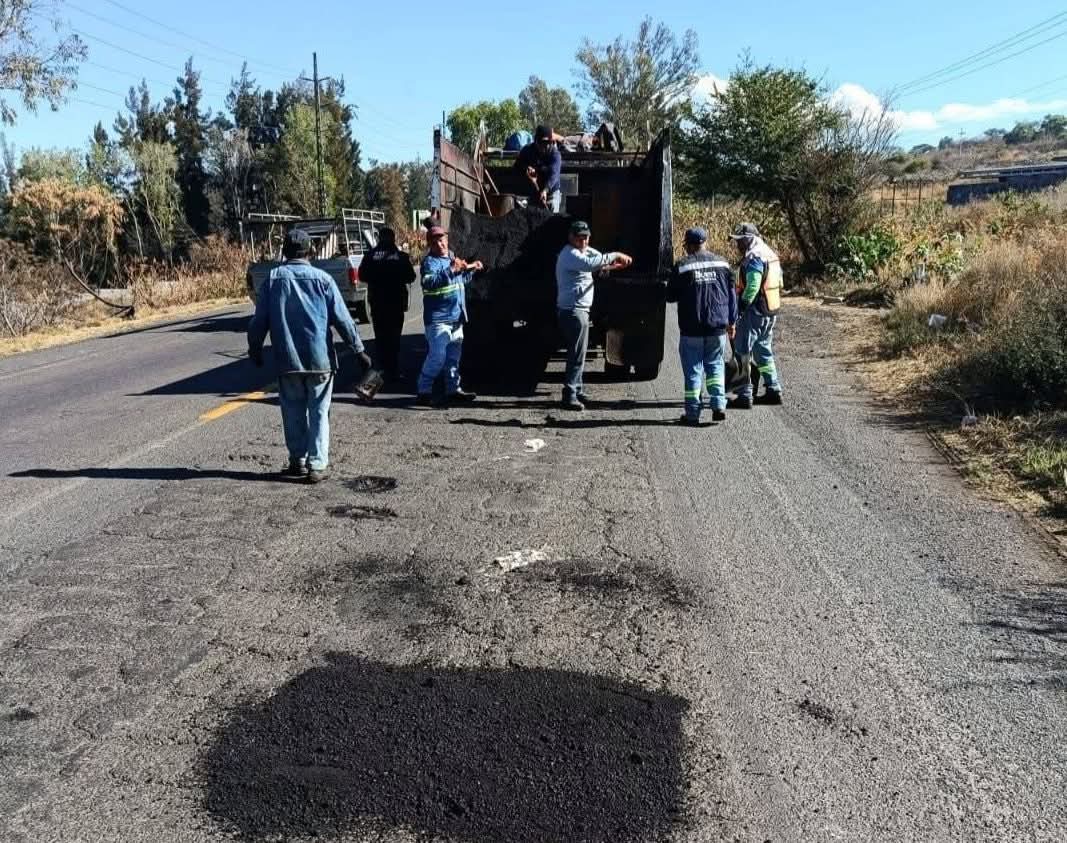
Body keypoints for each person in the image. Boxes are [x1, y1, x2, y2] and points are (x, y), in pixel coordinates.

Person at [248, 228, 372, 484]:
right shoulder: (323, 279)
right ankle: (317, 464)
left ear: (284, 252)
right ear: (310, 252)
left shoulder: (272, 280)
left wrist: (255, 347)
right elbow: (343, 320)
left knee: (292, 410)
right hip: (320, 360)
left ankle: (299, 461)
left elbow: (259, 321)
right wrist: (359, 350)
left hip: (287, 360)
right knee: (319, 410)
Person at [554, 220, 632, 411]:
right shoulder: (569, 254)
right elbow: (591, 264)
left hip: (580, 310)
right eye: (580, 238)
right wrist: (616, 255)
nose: (584, 242)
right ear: (571, 237)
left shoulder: (582, 252)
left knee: (579, 354)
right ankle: (570, 394)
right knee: (576, 355)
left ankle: (577, 390)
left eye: (586, 238)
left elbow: (596, 261)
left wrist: (613, 266)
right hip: (573, 311)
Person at [666, 227, 737, 426]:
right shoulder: (722, 263)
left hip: (692, 328)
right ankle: (718, 405)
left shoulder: (682, 266)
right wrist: (732, 322)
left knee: (693, 371)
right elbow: (732, 296)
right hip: (717, 327)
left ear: (688, 245)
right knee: (715, 367)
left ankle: (692, 414)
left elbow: (670, 296)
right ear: (705, 242)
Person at [416, 225, 482, 407]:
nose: (441, 243)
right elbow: (429, 283)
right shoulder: (430, 262)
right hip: (438, 320)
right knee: (437, 357)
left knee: (453, 358)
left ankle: (453, 390)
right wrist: (451, 270)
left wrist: (471, 270)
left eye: (442, 239)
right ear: (430, 244)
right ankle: (423, 391)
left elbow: (459, 281)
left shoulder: (452, 257)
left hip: (456, 319)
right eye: (436, 240)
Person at [729, 222, 784, 409]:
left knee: (742, 350)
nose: (737, 245)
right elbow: (780, 282)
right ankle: (773, 389)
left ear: (749, 239)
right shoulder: (770, 254)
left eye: (740, 241)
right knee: (763, 351)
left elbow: (753, 286)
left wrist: (741, 307)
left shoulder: (754, 257)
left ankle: (744, 395)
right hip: (770, 308)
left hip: (755, 311)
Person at [358, 226, 415, 382]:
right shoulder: (400, 256)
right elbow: (411, 276)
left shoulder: (370, 256)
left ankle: (380, 371)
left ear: (379, 239)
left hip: (377, 303)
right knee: (394, 338)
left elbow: (362, 275)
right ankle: (393, 370)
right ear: (393, 238)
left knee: (381, 338)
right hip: (396, 303)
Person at [514, 125, 563, 212]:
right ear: (536, 141)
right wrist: (526, 168)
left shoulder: (555, 155)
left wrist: (545, 190)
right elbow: (517, 166)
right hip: (533, 193)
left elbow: (554, 175)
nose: (546, 146)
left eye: (549, 143)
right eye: (543, 143)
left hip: (551, 193)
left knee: (551, 220)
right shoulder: (527, 150)